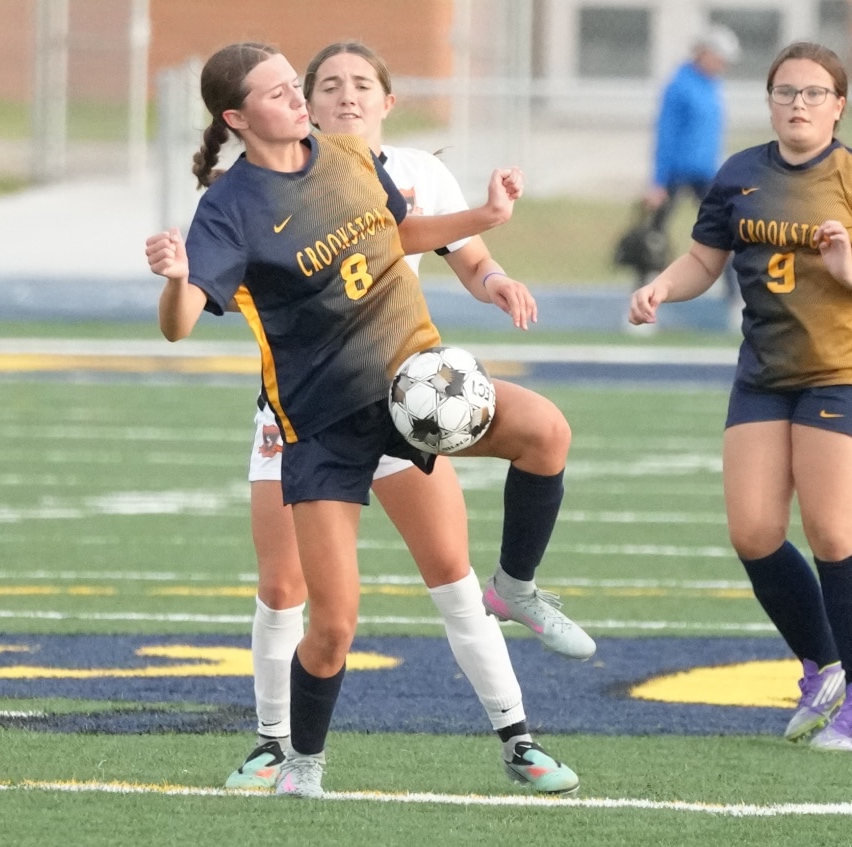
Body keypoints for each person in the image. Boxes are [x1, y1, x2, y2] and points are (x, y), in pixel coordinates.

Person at [146, 42, 587, 798]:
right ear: (237, 118)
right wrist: (178, 277)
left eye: (294, 84)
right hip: (321, 425)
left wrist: (485, 218)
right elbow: (178, 325)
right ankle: (296, 761)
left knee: (545, 433)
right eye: (279, 92)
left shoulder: (349, 156)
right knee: (331, 624)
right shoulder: (229, 207)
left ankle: (515, 607)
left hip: (412, 393)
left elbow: (398, 232)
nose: (297, 97)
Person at [629, 41, 852, 753]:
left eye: (813, 93)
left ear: (838, 106)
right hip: (761, 376)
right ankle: (825, 668)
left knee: (834, 534)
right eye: (786, 91)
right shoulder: (739, 174)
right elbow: (705, 259)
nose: (798, 104)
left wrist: (846, 268)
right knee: (754, 532)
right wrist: (662, 287)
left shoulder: (848, 175)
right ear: (769, 101)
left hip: (836, 373)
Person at [633, 24, 742, 324]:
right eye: (719, 57)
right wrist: (656, 182)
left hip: (706, 175)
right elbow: (665, 134)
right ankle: (643, 303)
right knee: (653, 240)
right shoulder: (679, 85)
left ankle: (735, 302)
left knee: (725, 234)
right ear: (703, 52)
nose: (722, 64)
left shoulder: (714, 86)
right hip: (675, 174)